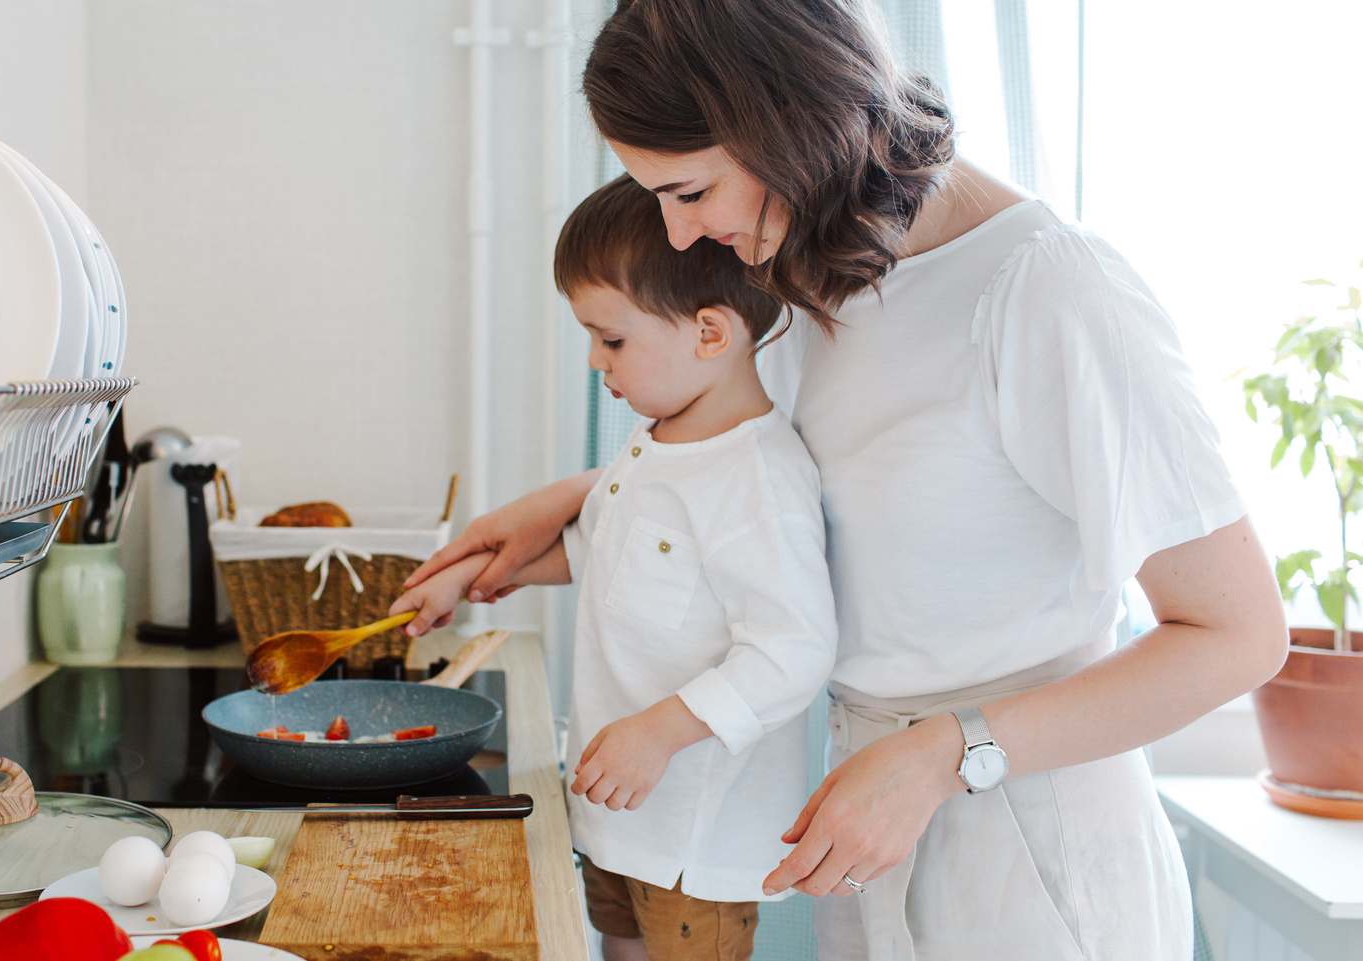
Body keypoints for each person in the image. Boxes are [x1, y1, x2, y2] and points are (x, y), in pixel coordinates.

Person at [401, 1, 1289, 958]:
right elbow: (785, 498)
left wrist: (944, 753)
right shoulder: (805, 275)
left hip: (1028, 842)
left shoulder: (1049, 292)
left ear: (788, 127)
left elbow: (1236, 636)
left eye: (689, 190)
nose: (679, 232)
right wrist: (560, 512)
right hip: (865, 811)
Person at [390, 174, 837, 961]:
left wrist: (661, 732)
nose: (598, 361)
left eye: (613, 339)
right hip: (616, 813)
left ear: (709, 333)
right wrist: (489, 574)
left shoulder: (755, 480)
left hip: (692, 838)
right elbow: (608, 552)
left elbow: (792, 649)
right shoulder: (657, 438)